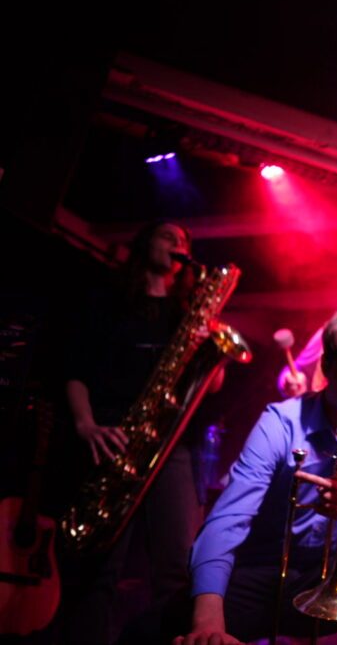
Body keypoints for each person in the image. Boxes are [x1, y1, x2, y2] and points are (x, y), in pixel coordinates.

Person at [171, 312, 337, 645]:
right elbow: (227, 520)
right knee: (160, 624)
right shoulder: (281, 421)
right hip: (270, 572)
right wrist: (208, 623)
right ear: (328, 368)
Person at [61, 220, 210, 645]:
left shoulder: (187, 312)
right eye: (169, 236)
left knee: (177, 566)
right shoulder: (109, 299)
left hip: (170, 442)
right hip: (114, 435)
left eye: (185, 240)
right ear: (145, 244)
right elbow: (76, 370)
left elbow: (210, 384)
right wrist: (86, 424)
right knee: (100, 568)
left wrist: (202, 347)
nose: (179, 244)